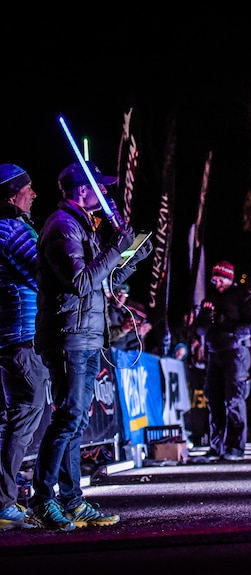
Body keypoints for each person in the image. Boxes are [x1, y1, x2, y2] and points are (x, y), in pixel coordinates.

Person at [30, 160, 152, 531]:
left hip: (82, 334)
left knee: (76, 419)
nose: (105, 193)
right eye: (99, 186)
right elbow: (80, 282)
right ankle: (43, 499)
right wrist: (115, 248)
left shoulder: (80, 224)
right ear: (81, 189)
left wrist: (130, 259)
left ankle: (71, 500)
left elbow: (103, 279)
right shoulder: (62, 225)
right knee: (68, 417)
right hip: (68, 335)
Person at [0, 164, 50, 530]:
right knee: (24, 414)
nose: (33, 194)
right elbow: (47, 273)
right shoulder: (11, 228)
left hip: (15, 335)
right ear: (11, 194)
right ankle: (4, 502)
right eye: (28, 188)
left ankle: (6, 497)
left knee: (18, 417)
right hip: (20, 337)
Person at [194, 260, 251, 462]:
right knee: (214, 401)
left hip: (236, 353)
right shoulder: (211, 298)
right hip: (214, 353)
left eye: (221, 279)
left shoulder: (244, 297)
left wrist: (230, 325)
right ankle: (216, 447)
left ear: (229, 278)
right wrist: (205, 317)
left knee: (233, 400)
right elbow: (199, 330)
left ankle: (235, 447)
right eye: (214, 280)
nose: (217, 284)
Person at [107, 283, 152, 352]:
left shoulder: (129, 312)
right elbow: (107, 339)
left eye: (124, 295)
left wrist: (140, 334)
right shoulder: (106, 309)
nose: (121, 298)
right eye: (119, 294)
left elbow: (130, 345)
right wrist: (122, 329)